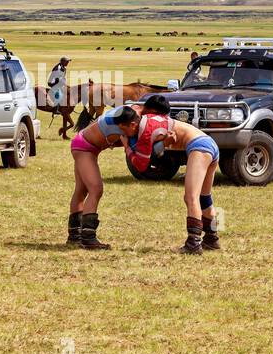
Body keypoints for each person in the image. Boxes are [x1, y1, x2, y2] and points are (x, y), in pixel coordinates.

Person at [67, 96, 170, 250]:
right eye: (157, 115)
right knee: (96, 189)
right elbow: (142, 153)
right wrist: (164, 142)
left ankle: (75, 236)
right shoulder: (132, 123)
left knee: (81, 191)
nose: (156, 119)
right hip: (84, 147)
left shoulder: (133, 111)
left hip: (84, 142)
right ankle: (88, 238)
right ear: (151, 110)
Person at [151, 109, 221, 254]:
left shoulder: (155, 126)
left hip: (199, 146)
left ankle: (193, 244)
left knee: (190, 197)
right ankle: (212, 238)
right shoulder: (165, 122)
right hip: (210, 144)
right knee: (204, 197)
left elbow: (171, 139)